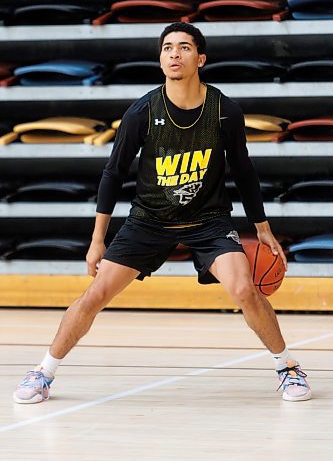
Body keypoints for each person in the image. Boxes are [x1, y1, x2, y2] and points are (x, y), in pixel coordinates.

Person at [13, 22, 311, 404]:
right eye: (168, 47)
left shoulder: (224, 111)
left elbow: (244, 172)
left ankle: (287, 368)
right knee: (95, 294)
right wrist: (97, 240)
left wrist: (263, 228)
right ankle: (43, 372)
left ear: (200, 58)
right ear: (160, 58)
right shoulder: (142, 111)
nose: (174, 54)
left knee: (244, 289)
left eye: (184, 47)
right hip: (149, 220)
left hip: (209, 220)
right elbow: (113, 173)